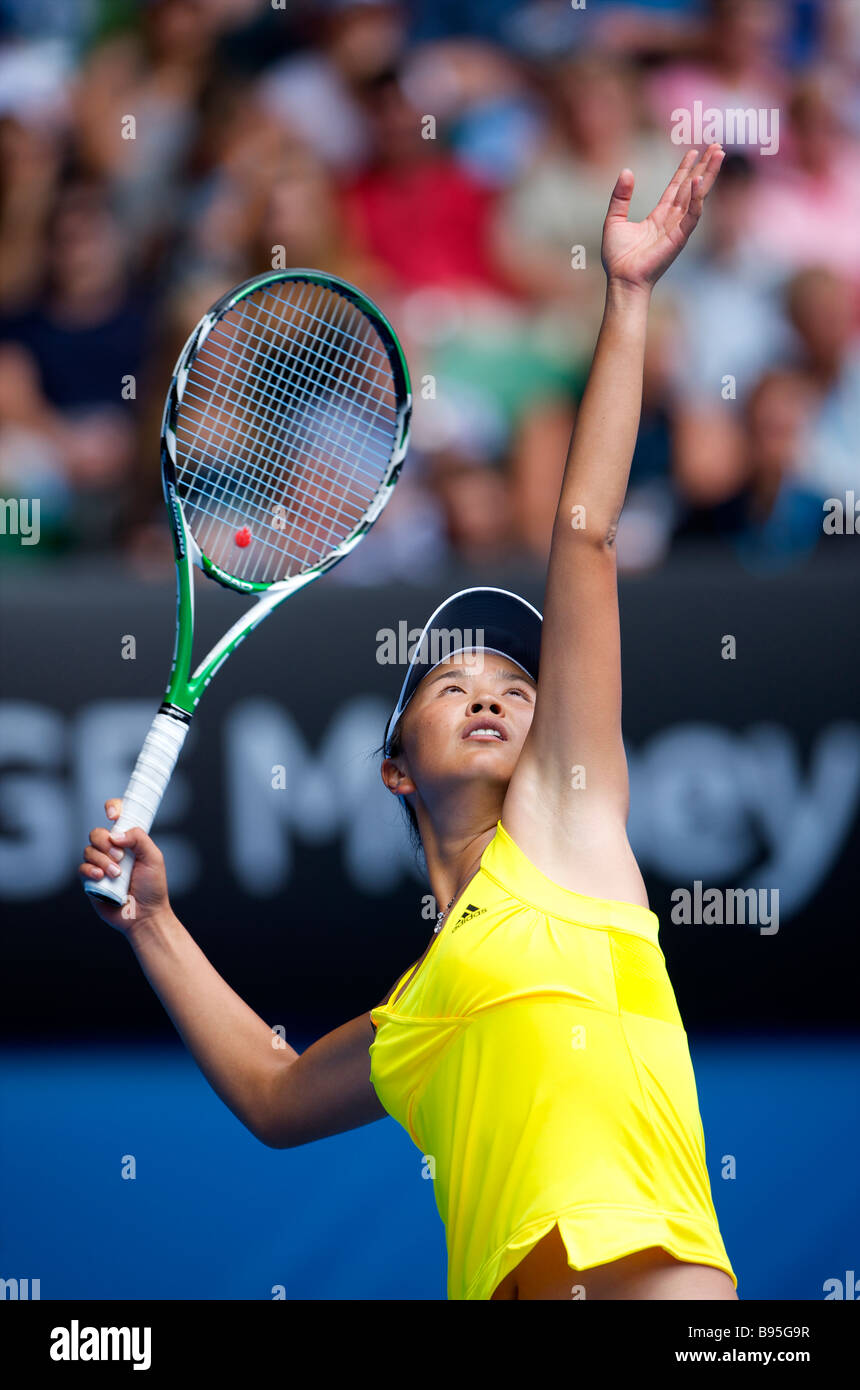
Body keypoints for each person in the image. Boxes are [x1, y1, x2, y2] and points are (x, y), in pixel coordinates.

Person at [79, 143, 737, 1300]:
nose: (489, 693)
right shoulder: (417, 1010)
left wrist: (626, 298)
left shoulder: (572, 834)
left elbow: (581, 533)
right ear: (393, 770)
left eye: (513, 688)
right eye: (450, 684)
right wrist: (152, 922)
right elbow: (279, 1099)